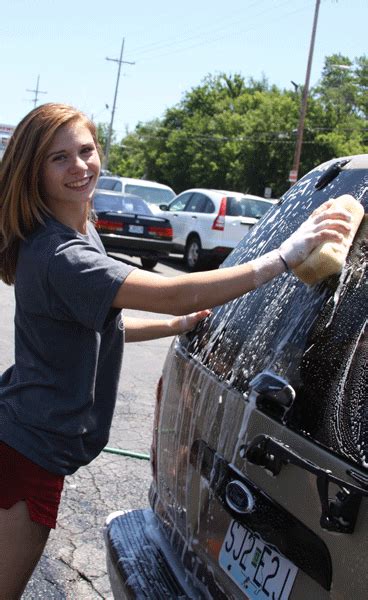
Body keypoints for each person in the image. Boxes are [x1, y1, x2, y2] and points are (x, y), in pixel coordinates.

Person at [0, 103, 352, 598]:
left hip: (31, 441)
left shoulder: (78, 230)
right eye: (59, 158)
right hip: (24, 453)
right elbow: (174, 289)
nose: (80, 166)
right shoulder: (63, 255)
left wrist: (174, 326)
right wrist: (284, 257)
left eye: (86, 150)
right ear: (34, 171)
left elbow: (106, 324)